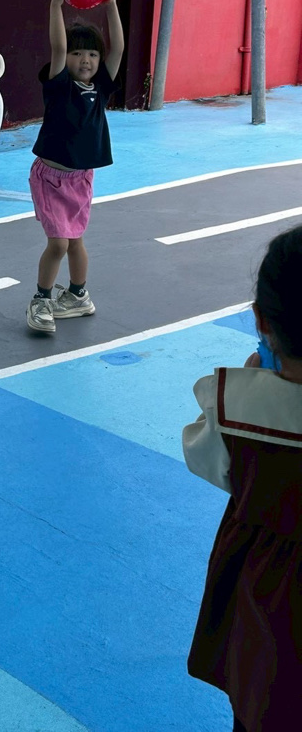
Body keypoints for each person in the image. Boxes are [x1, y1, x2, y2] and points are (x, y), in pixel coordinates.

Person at [182, 225, 302, 731]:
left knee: (266, 701)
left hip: (272, 602)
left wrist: (254, 377)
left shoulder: (237, 406)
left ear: (262, 321)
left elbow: (205, 459)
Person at [26, 0, 125, 334]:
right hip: (50, 179)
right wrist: (56, 4)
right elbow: (56, 46)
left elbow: (118, 48)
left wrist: (111, 6)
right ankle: (41, 300)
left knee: (76, 241)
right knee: (58, 242)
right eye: (77, 52)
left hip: (81, 179)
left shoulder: (101, 88)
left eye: (92, 54)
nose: (86, 59)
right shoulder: (59, 86)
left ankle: (79, 295)